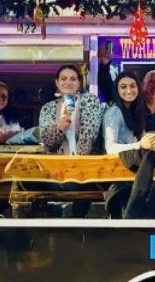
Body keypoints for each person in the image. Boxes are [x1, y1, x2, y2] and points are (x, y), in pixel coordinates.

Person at [102, 72, 155, 219]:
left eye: (132, 86)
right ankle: (134, 212)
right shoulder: (114, 112)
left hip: (133, 165)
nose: (129, 91)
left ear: (138, 88)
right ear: (117, 90)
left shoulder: (136, 112)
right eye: (123, 87)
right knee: (151, 157)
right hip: (117, 162)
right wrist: (140, 144)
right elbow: (110, 148)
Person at [33, 64, 106, 217]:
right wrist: (61, 125)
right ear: (57, 83)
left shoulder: (91, 102)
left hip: (85, 170)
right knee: (33, 183)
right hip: (56, 171)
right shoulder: (48, 108)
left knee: (78, 189)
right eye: (63, 79)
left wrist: (75, 169)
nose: (68, 82)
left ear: (79, 83)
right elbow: (47, 141)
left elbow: (88, 138)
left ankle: (77, 228)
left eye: (73, 79)